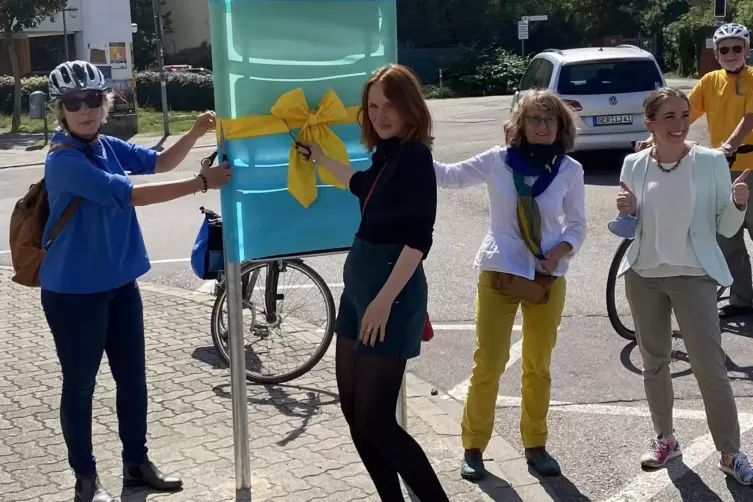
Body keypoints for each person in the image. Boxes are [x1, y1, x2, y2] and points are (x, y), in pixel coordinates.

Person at [41, 61, 232, 502]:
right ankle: (86, 481)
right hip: (74, 293)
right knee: (80, 385)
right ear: (61, 110)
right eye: (74, 102)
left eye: (94, 99)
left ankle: (136, 466)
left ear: (105, 104)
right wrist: (202, 182)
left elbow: (160, 162)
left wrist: (196, 131)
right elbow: (131, 194)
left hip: (120, 284)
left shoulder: (106, 144)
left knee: (133, 380)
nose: (86, 108)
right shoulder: (64, 160)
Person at [295, 63, 449, 501]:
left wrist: (383, 301)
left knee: (377, 418)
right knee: (354, 411)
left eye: (390, 106)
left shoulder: (416, 156)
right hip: (359, 294)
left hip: (389, 296)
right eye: (373, 106)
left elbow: (419, 240)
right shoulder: (386, 153)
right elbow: (362, 185)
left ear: (410, 108)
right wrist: (320, 158)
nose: (381, 116)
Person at [432, 89, 586, 480]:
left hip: (547, 277)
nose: (542, 126)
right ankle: (473, 447)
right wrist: (413, 150)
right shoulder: (498, 162)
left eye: (550, 120)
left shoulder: (570, 170)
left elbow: (577, 226)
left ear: (561, 126)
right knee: (489, 362)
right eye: (534, 119)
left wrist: (561, 251)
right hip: (500, 271)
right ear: (520, 124)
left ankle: (535, 445)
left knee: (538, 365)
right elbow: (449, 177)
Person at [615, 87, 753, 485]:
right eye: (669, 117)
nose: (679, 124)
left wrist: (738, 203)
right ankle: (664, 439)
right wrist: (628, 211)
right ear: (650, 124)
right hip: (644, 275)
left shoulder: (710, 162)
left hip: (694, 276)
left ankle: (730, 452)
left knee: (709, 367)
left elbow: (725, 229)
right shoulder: (634, 164)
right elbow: (629, 228)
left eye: (684, 115)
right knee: (654, 361)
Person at [635, 23, 753, 319]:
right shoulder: (710, 80)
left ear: (747, 50)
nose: (730, 53)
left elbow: (750, 119)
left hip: (749, 166)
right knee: (728, 237)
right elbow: (684, 113)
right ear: (716, 53)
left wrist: (729, 145)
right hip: (722, 169)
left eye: (737, 48)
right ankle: (742, 297)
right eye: (724, 49)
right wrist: (654, 137)